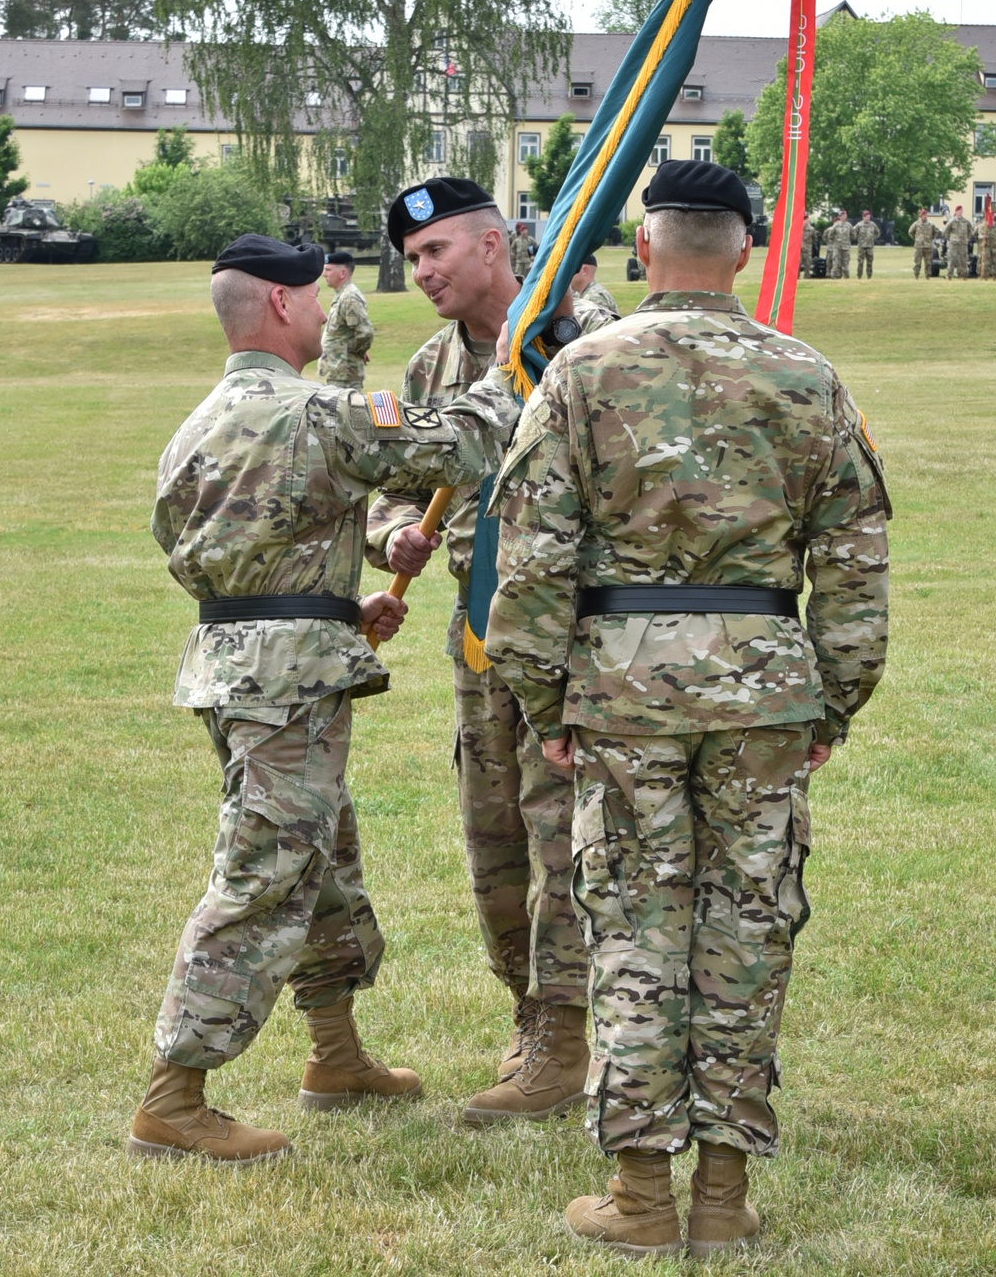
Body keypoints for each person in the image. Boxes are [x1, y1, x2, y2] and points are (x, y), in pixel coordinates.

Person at [485, 160, 890, 1258]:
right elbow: (853, 566)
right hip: (763, 687)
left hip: (619, 687)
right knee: (745, 929)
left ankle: (639, 1192)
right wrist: (831, 701)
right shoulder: (807, 378)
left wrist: (541, 697)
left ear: (645, 244)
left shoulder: (579, 371)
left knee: (633, 928)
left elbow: (529, 564)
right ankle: (719, 1192)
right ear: (744, 249)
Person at [129, 232, 521, 1164]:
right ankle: (173, 1096)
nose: (322, 308)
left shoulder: (196, 425)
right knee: (265, 869)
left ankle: (336, 1058)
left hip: (236, 663)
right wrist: (509, 363)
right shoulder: (313, 412)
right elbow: (466, 442)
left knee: (324, 857)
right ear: (279, 306)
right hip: (290, 677)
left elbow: (227, 546)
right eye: (312, 297)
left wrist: (342, 598)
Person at [366, 178, 612, 1126]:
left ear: (494, 245)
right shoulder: (430, 368)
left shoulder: (580, 338)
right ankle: (528, 1009)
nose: (420, 272)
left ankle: (566, 1031)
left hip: (568, 641)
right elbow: (389, 487)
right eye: (411, 259)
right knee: (494, 834)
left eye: (434, 253)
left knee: (566, 839)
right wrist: (395, 538)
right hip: (477, 646)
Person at [316, 250, 374, 387]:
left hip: (345, 371)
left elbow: (364, 333)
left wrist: (355, 352)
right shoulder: (342, 295)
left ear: (342, 273)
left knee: (345, 408)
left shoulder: (350, 298)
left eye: (328, 270)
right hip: (338, 370)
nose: (324, 274)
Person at [571, 252, 621, 318]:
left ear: (584, 270)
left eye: (571, 269)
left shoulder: (594, 298)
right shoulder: (586, 293)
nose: (567, 274)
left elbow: (600, 326)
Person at [943, 205, 973, 279]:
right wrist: (950, 239)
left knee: (963, 260)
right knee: (951, 259)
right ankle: (949, 275)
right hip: (953, 244)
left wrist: (966, 238)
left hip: (963, 244)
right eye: (959, 211)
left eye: (961, 211)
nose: (960, 213)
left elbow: (970, 231)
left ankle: (963, 275)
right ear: (956, 212)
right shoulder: (952, 221)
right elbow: (945, 231)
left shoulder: (966, 221)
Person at [908, 209, 940, 279]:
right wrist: (916, 239)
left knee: (928, 263)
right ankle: (916, 275)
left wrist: (932, 238)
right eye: (923, 215)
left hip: (928, 246)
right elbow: (910, 232)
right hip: (918, 246)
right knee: (917, 262)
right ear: (921, 216)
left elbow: (936, 232)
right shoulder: (916, 224)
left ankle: (928, 276)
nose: (924, 216)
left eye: (925, 215)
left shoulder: (931, 224)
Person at [826, 209, 854, 277]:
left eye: (845, 215)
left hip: (846, 247)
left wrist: (847, 241)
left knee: (846, 263)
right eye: (842, 215)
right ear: (839, 217)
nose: (844, 217)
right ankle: (834, 277)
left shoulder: (849, 225)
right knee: (836, 262)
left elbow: (853, 235)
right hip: (837, 247)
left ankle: (846, 277)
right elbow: (830, 235)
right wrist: (835, 241)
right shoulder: (836, 225)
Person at [853, 210, 880, 278]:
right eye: (866, 216)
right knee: (860, 262)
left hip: (870, 246)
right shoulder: (859, 225)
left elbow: (877, 232)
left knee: (870, 262)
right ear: (863, 217)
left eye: (868, 216)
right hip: (861, 247)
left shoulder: (872, 224)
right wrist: (858, 239)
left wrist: (873, 238)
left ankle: (869, 276)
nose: (867, 218)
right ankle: (859, 275)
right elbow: (853, 233)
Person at [975, 211, 996, 278]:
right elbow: (975, 235)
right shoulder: (981, 226)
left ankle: (994, 275)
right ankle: (983, 275)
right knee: (984, 262)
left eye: (992, 216)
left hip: (994, 246)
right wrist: (980, 239)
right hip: (985, 247)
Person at [799, 212, 817, 277]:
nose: (805, 221)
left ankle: (807, 276)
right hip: (799, 250)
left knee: (808, 264)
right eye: (803, 219)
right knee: (798, 264)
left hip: (808, 250)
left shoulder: (811, 229)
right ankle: (796, 277)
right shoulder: (797, 228)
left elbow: (815, 239)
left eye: (806, 219)